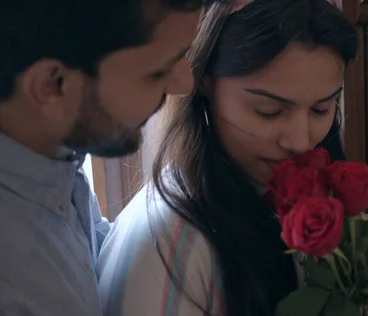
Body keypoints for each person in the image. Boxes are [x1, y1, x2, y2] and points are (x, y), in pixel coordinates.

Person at [96, 0, 357, 315]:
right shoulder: (170, 247)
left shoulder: (283, 194)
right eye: (269, 112)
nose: (301, 142)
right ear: (204, 81)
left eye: (321, 109)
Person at [0, 0, 220, 314]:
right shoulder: (12, 278)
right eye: (157, 72)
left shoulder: (52, 160)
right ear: (53, 86)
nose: (185, 84)